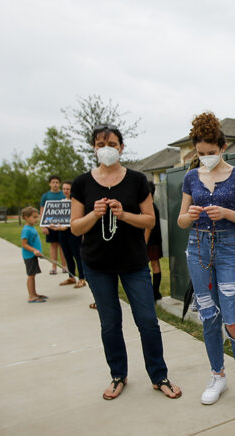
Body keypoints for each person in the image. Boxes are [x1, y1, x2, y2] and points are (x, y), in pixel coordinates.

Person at [70, 124, 181, 400]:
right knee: (110, 323)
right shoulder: (82, 183)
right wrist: (95, 215)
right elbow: (75, 228)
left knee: (147, 321)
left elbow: (149, 220)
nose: (105, 148)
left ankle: (159, 375)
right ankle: (118, 375)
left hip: (133, 263)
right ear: (93, 148)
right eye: (99, 143)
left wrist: (123, 214)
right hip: (97, 265)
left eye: (111, 143)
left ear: (121, 147)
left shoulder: (137, 180)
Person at [177, 112, 235, 408]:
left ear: (222, 147)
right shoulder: (190, 177)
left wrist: (226, 213)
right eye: (200, 154)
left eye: (211, 153)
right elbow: (180, 221)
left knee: (233, 319)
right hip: (197, 245)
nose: (205, 158)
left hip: (227, 247)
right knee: (208, 316)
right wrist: (189, 216)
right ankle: (218, 375)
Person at [58, 180, 87, 288]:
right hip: (62, 233)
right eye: (64, 189)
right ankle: (71, 276)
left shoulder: (77, 202)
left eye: (68, 189)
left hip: (74, 233)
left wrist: (67, 226)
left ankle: (82, 278)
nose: (66, 191)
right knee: (67, 255)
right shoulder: (61, 202)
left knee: (77, 255)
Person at [40, 175, 65, 275]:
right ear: (50, 184)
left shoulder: (63, 195)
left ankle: (64, 266)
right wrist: (43, 225)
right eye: (53, 182)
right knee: (53, 245)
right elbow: (42, 211)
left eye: (57, 182)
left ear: (59, 184)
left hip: (62, 225)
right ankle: (54, 267)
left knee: (62, 246)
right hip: (50, 225)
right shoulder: (45, 196)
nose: (55, 184)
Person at [20, 207, 47, 303]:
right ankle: (31, 296)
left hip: (33, 256)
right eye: (34, 217)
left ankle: (34, 293)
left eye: (37, 217)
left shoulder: (31, 228)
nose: (36, 219)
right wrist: (34, 250)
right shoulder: (26, 230)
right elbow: (24, 244)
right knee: (31, 275)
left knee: (33, 275)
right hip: (29, 256)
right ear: (26, 217)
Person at [145, 181, 163, 301]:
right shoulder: (152, 206)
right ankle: (155, 292)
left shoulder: (150, 207)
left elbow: (149, 227)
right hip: (155, 241)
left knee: (154, 264)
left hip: (151, 241)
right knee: (155, 264)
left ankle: (154, 293)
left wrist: (143, 242)